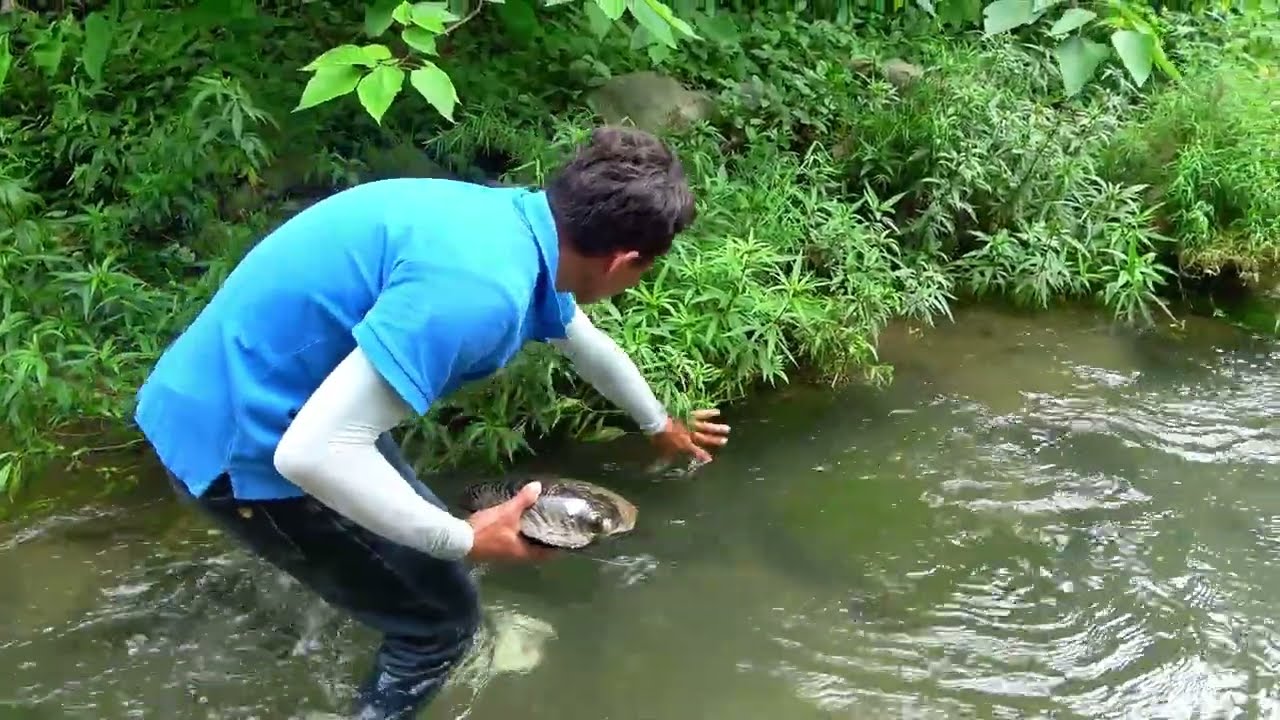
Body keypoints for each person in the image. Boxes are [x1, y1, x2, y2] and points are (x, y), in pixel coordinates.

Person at [132, 125, 731, 719]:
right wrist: (468, 538)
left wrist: (658, 424)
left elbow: (585, 342)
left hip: (252, 392)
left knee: (421, 561)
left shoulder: (510, 225)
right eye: (641, 273)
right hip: (243, 444)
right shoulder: (481, 294)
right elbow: (310, 454)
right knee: (442, 623)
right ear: (623, 260)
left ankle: (369, 593)